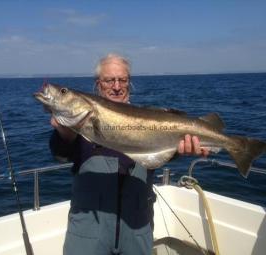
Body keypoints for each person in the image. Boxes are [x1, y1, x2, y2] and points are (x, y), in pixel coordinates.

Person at [49, 54, 208, 255]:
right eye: (109, 80)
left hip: (137, 229)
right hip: (88, 231)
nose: (117, 86)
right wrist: (63, 131)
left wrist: (183, 150)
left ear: (129, 83)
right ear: (98, 84)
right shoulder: (80, 125)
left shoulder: (149, 118)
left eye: (122, 80)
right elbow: (60, 152)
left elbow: (161, 155)